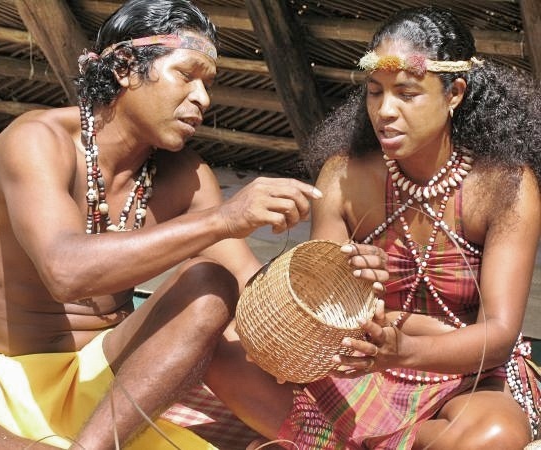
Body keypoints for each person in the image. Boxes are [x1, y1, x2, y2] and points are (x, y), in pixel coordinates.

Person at [0, 0, 379, 448]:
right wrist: (223, 218)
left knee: (209, 285)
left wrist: (335, 288)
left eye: (208, 84)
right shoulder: (37, 140)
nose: (203, 99)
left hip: (106, 398)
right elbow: (65, 272)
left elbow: (252, 292)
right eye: (186, 75)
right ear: (126, 68)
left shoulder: (186, 177)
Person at [206, 6, 541, 449]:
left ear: (455, 92)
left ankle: (337, 442)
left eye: (407, 93)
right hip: (359, 369)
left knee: (494, 435)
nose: (385, 110)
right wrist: (341, 278)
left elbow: (497, 336)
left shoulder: (507, 186)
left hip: (467, 376)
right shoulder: (343, 176)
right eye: (374, 91)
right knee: (219, 355)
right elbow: (321, 320)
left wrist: (405, 347)